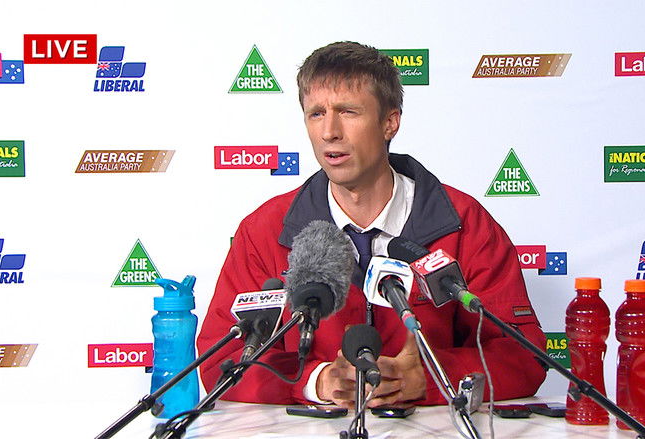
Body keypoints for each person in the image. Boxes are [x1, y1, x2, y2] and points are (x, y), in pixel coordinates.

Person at [196, 41, 546, 408]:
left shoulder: (464, 223)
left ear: (389, 122)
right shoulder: (265, 231)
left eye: (348, 112)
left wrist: (428, 378)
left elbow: (524, 356)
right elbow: (221, 359)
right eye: (316, 113)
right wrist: (317, 382)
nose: (329, 132)